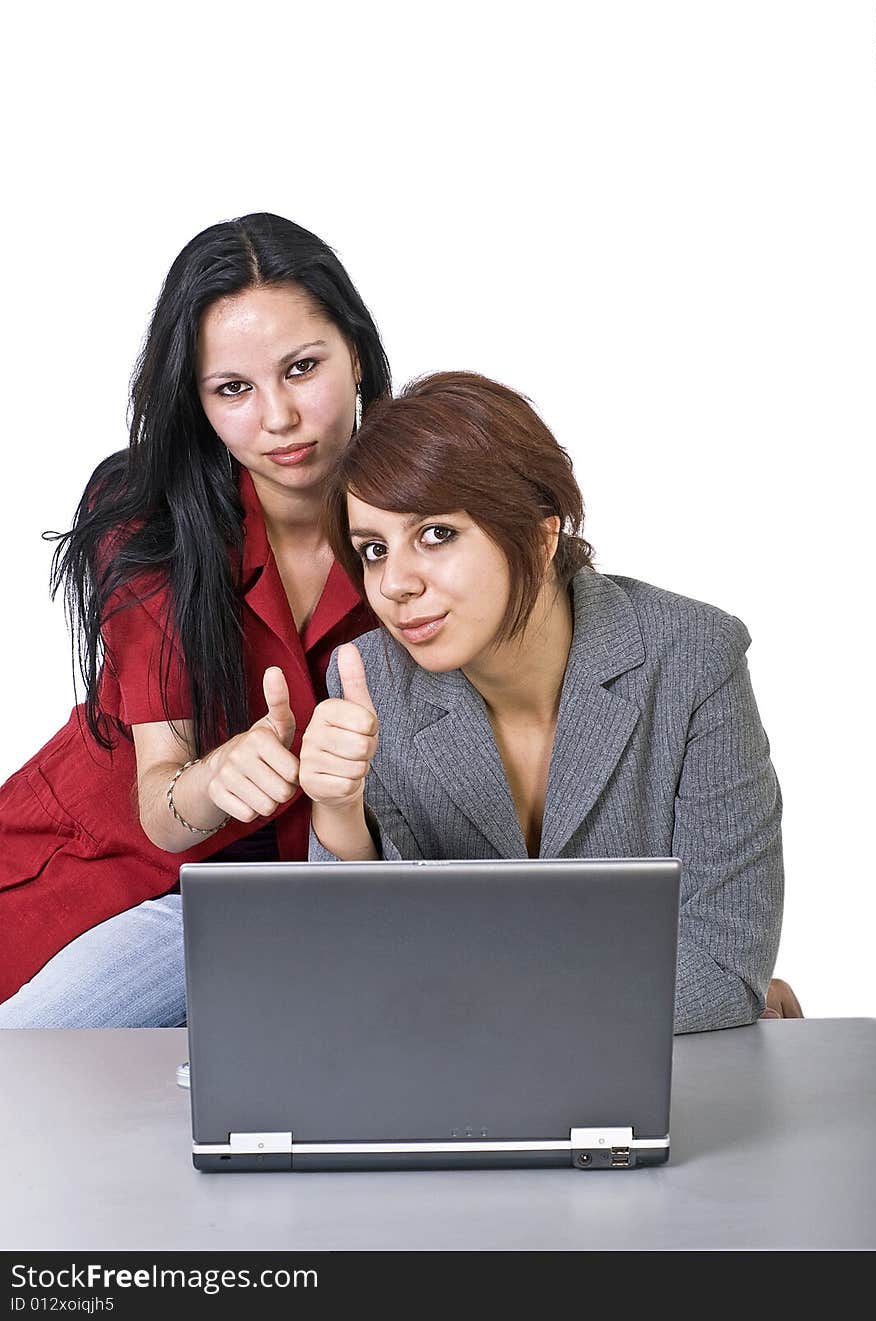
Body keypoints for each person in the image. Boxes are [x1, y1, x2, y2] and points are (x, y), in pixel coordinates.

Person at [298, 371, 796, 1034]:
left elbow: (724, 967)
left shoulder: (692, 657)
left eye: (437, 534)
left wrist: (469, 1004)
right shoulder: (369, 683)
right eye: (374, 549)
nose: (395, 584)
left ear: (539, 535)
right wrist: (337, 816)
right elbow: (355, 974)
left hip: (649, 1084)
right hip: (462, 1093)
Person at [0, 212, 390, 1025]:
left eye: (302, 367)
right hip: (112, 863)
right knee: (37, 1064)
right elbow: (161, 799)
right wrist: (220, 776)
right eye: (234, 389)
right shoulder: (150, 521)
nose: (278, 417)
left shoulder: (419, 508)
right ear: (199, 400)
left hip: (313, 889)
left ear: (354, 350)